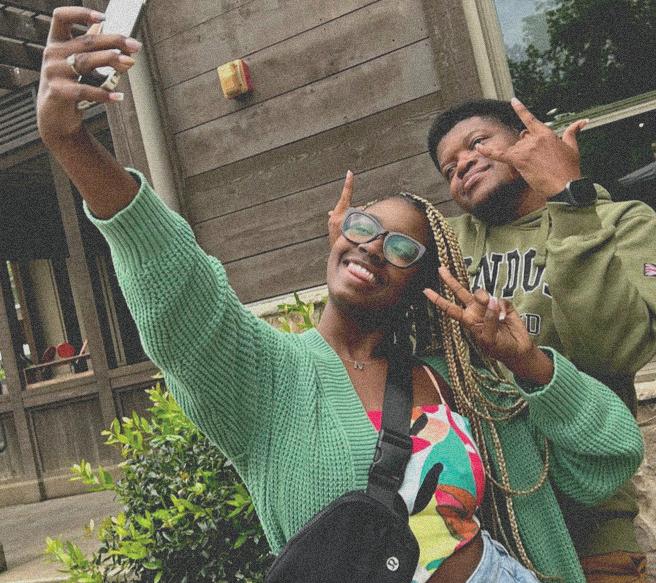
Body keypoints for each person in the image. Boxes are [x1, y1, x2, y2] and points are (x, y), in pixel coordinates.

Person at [37, 9, 644, 582]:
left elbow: (610, 457)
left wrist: (529, 364)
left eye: (401, 248)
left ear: (421, 287)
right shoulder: (268, 374)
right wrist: (73, 144)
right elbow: (183, 289)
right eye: (362, 227)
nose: (373, 246)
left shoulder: (456, 382)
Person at [423, 98, 656, 582]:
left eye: (477, 142)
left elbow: (612, 351)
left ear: (529, 140)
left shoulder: (625, 222)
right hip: (481, 521)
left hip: (589, 515)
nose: (462, 164)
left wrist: (568, 200)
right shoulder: (447, 244)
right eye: (448, 168)